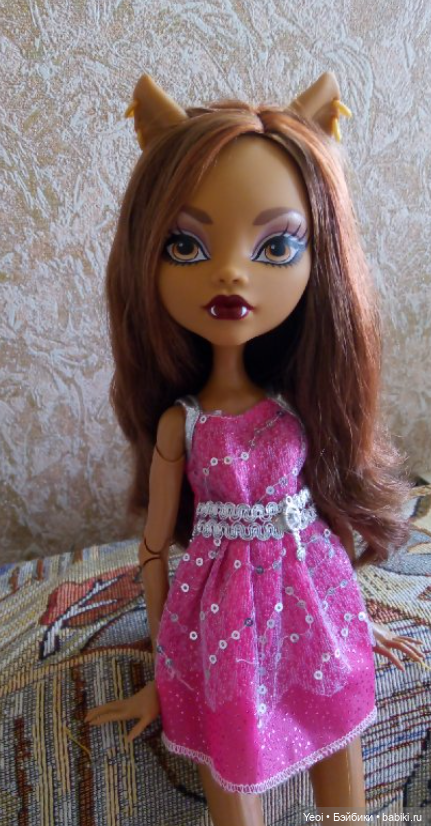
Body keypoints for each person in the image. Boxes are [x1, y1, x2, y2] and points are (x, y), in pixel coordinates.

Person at [85, 73, 425, 825]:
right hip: (224, 615)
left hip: (312, 595)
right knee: (232, 755)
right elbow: (153, 550)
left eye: (276, 245)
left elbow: (330, 509)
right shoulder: (182, 426)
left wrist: (356, 618)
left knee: (341, 753)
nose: (231, 272)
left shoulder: (299, 403)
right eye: (186, 244)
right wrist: (166, 674)